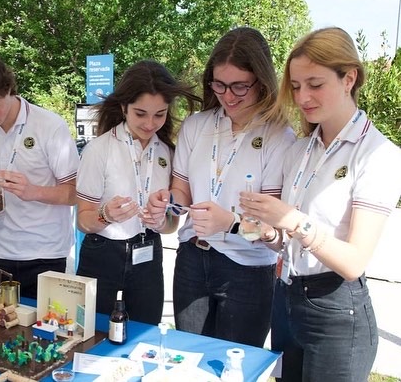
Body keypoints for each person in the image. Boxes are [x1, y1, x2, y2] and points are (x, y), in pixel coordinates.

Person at [239, 27, 401, 382]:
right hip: (287, 301)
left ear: (349, 78)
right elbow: (290, 243)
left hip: (337, 311)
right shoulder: (300, 150)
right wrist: (268, 233)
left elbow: (354, 262)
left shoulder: (378, 155)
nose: (303, 97)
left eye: (315, 84)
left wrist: (293, 220)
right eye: (296, 87)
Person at [147, 27, 295, 346]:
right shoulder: (196, 126)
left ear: (262, 81)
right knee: (188, 360)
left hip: (248, 270)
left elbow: (272, 235)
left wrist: (230, 225)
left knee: (234, 366)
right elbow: (182, 193)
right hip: (192, 260)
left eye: (240, 86)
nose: (228, 96)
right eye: (220, 84)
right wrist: (167, 204)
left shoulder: (279, 138)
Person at [0, 44, 79, 299]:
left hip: (46, 253)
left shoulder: (49, 126)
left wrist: (33, 191)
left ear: (7, 88)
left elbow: (75, 193)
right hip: (0, 252)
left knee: (46, 334)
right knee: (1, 329)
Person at [75, 60, 200, 325]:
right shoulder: (99, 150)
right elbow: (83, 221)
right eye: (140, 113)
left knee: (146, 336)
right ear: (124, 107)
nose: (150, 123)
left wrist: (161, 220)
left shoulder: (167, 152)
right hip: (102, 254)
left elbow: (171, 223)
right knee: (93, 335)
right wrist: (106, 214)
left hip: (148, 253)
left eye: (160, 114)